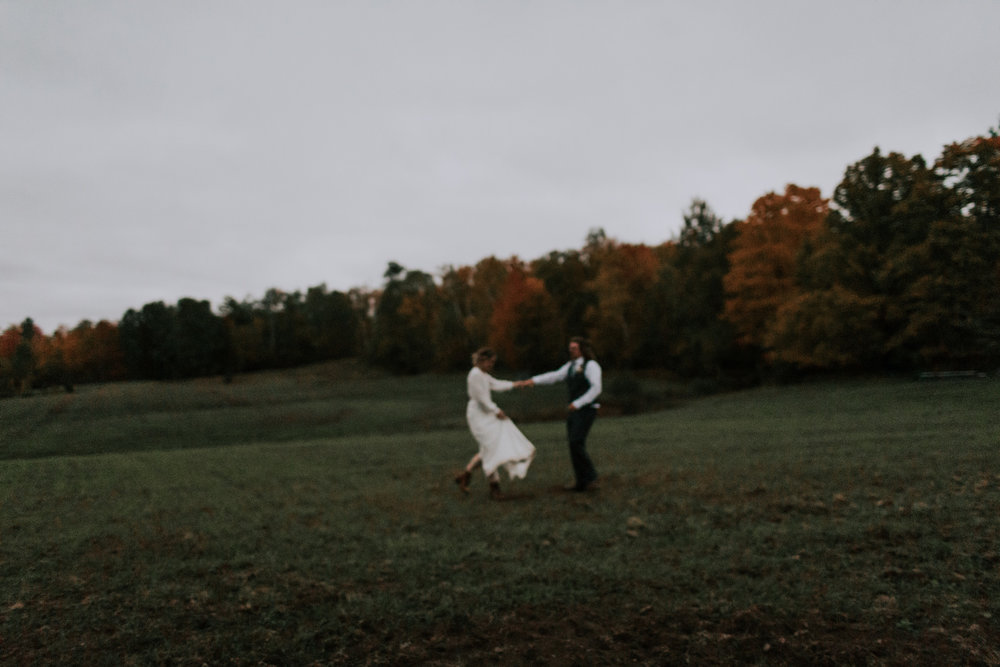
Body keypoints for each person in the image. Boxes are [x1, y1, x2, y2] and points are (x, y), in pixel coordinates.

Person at [519, 337, 602, 492]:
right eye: (570, 348)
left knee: (576, 442)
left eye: (574, 348)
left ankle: (592, 478)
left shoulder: (591, 365)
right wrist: (533, 381)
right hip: (573, 411)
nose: (571, 351)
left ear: (582, 349)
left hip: (587, 409)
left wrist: (578, 403)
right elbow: (554, 376)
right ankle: (581, 481)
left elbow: (596, 388)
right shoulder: (570, 366)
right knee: (573, 444)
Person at [455, 347, 536, 500]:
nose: (492, 365)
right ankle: (494, 488)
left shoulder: (483, 375)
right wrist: (496, 410)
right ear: (483, 360)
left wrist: (515, 384)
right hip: (478, 416)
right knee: (490, 449)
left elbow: (496, 384)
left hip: (486, 414)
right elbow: (481, 399)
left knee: (488, 448)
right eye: (490, 362)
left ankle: (465, 475)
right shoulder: (475, 375)